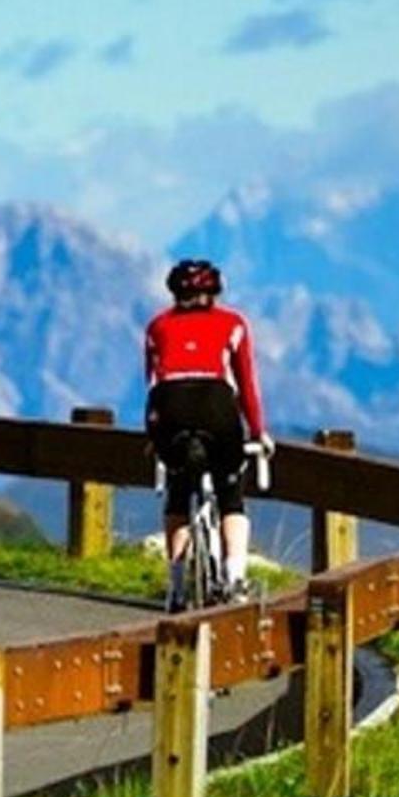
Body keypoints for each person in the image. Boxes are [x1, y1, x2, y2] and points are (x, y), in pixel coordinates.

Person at [144, 257, 272, 606]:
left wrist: (155, 437)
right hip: (217, 404)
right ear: (214, 293)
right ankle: (235, 577)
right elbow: (246, 386)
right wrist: (258, 432)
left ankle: (175, 588)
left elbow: (152, 383)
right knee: (230, 494)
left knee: (178, 489)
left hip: (168, 405)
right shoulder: (233, 324)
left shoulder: (157, 326)